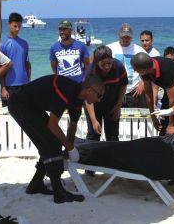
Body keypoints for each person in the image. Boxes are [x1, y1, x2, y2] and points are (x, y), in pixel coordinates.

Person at [8, 74, 104, 204]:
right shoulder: (66, 90)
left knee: (50, 143)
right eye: (99, 95)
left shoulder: (77, 101)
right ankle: (59, 194)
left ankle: (36, 184)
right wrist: (69, 147)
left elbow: (72, 127)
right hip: (20, 104)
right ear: (89, 90)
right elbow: (52, 125)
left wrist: (66, 153)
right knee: (51, 143)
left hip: (33, 107)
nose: (99, 100)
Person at [130, 52, 174, 136]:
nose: (134, 71)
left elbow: (173, 101)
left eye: (135, 69)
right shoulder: (145, 70)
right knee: (163, 129)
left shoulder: (166, 70)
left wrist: (171, 125)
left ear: (144, 69)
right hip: (168, 92)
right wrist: (153, 118)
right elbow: (148, 95)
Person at [85, 45, 127, 141]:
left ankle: (112, 155)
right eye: (103, 64)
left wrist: (118, 106)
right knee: (93, 135)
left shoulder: (119, 66)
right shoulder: (91, 71)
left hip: (112, 104)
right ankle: (92, 156)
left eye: (109, 63)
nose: (107, 66)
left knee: (113, 135)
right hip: (94, 105)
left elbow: (123, 85)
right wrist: (94, 120)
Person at [108, 23, 147, 108]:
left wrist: (143, 83)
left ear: (132, 36)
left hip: (134, 91)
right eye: (123, 36)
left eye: (128, 37)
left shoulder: (139, 50)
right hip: (115, 90)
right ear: (119, 35)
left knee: (134, 118)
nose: (126, 39)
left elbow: (148, 68)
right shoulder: (110, 48)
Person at [0, 12, 31, 107]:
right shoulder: (3, 44)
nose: (17, 29)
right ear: (9, 25)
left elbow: (27, 64)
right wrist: (3, 88)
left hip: (24, 85)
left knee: (25, 114)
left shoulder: (24, 43)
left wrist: (29, 82)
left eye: (19, 26)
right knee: (8, 115)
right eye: (15, 26)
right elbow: (0, 68)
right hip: (10, 86)